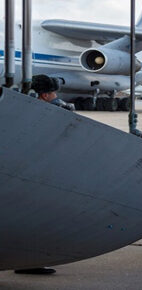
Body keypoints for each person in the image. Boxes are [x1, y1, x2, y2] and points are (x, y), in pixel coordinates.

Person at [13, 74, 76, 276]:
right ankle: (28, 262)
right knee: (32, 219)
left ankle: (25, 262)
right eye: (53, 92)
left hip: (24, 172)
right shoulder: (44, 110)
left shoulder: (22, 106)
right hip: (35, 174)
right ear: (46, 94)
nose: (56, 96)